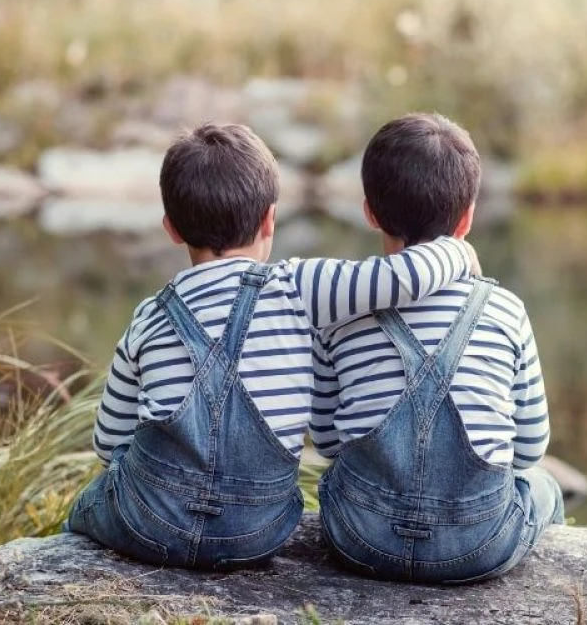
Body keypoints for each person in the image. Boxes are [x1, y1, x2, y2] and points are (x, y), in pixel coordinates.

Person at [64, 122, 477, 571]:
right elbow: (402, 277)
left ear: (171, 228)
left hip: (150, 522)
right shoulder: (300, 287)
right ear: (269, 220)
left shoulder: (149, 315)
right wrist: (459, 253)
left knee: (90, 500)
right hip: (257, 529)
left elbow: (108, 445)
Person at [310, 112, 563, 583]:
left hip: (360, 536)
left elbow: (326, 442)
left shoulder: (339, 313)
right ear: (467, 217)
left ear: (369, 211)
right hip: (478, 543)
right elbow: (529, 449)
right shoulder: (505, 310)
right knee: (545, 486)